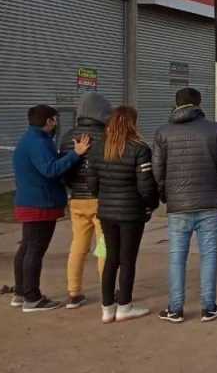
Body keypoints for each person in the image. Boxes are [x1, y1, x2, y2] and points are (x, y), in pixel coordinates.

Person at [154, 88, 217, 323]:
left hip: (178, 204)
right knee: (209, 254)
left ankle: (175, 308)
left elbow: (158, 171)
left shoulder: (163, 133)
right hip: (210, 201)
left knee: (176, 256)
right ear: (199, 104)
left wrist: (165, 194)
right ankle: (208, 307)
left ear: (176, 103)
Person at [11, 105, 91, 312]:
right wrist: (76, 154)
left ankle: (21, 292)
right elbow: (50, 169)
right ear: (49, 121)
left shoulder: (28, 140)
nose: (56, 124)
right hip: (40, 204)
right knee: (34, 250)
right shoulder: (38, 142)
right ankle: (32, 297)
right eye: (55, 120)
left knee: (27, 248)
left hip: (29, 201)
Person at [88, 106, 159, 323]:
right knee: (128, 260)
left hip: (106, 212)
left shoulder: (98, 148)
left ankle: (107, 308)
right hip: (131, 212)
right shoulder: (139, 148)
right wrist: (151, 205)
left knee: (111, 258)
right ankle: (125, 305)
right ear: (132, 124)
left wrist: (106, 198)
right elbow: (146, 186)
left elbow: (92, 184)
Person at [58, 92, 111, 309]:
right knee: (104, 246)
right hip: (101, 199)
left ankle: (74, 292)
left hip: (77, 199)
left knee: (78, 246)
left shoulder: (68, 137)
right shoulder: (107, 136)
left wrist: (73, 188)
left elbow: (65, 170)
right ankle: (106, 290)